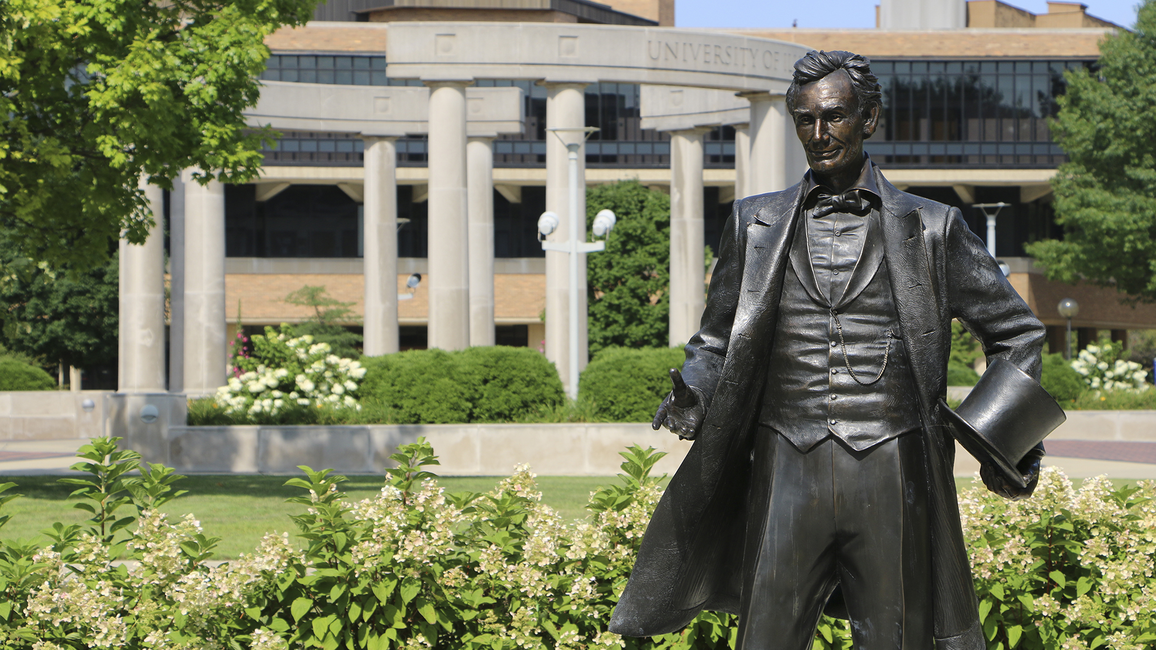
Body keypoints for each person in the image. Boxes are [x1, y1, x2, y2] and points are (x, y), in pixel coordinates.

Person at [608, 50, 1048, 650]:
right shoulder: (753, 223)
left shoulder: (934, 227)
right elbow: (714, 339)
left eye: (834, 117)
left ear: (868, 118)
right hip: (785, 462)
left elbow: (1016, 331)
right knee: (764, 638)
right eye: (805, 119)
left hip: (894, 469)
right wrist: (694, 388)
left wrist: (994, 437)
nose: (818, 134)